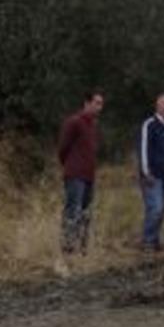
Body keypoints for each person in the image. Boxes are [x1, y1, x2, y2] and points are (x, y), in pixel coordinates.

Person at [57, 89, 104, 260]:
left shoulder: (93, 124)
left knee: (86, 213)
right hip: (75, 175)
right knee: (72, 212)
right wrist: (70, 165)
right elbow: (63, 148)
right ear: (87, 103)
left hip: (89, 176)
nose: (99, 107)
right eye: (96, 103)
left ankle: (82, 249)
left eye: (101, 104)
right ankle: (68, 249)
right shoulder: (74, 122)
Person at [137, 93, 164, 252]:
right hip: (152, 176)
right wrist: (146, 172)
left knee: (162, 210)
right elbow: (143, 149)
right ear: (158, 106)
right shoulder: (150, 124)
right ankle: (147, 241)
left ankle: (154, 241)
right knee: (156, 208)